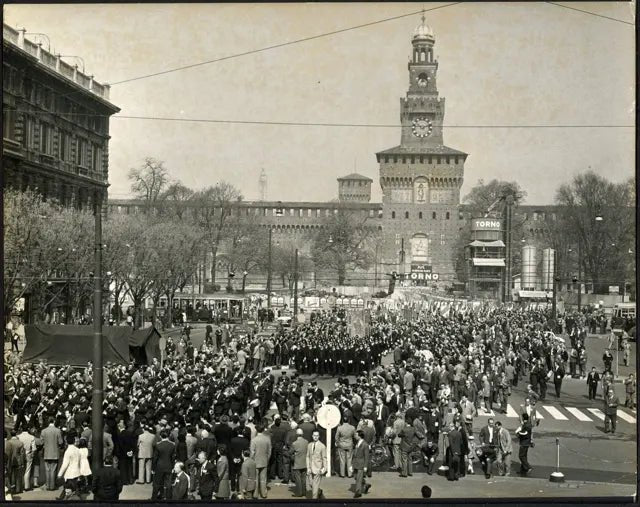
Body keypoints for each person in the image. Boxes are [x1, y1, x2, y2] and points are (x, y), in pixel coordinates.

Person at [151, 429, 176, 500]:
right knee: (168, 484)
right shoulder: (172, 445)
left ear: (161, 436)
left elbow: (155, 458)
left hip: (159, 466)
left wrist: (153, 468)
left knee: (156, 484)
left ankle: (154, 498)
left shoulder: (158, 445)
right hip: (169, 466)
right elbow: (173, 457)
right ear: (168, 436)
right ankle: (168, 498)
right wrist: (173, 466)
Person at [249, 424, 272, 499]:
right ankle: (263, 493)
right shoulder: (267, 439)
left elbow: (252, 452)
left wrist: (251, 460)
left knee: (255, 478)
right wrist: (267, 459)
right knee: (263, 479)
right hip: (264, 460)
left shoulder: (254, 440)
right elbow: (269, 451)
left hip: (255, 461)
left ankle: (255, 494)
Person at [41, 417, 63, 491]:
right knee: (53, 469)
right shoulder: (58, 430)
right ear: (54, 421)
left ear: (48, 422)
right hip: (55, 452)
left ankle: (48, 485)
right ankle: (52, 486)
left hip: (46, 452)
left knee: (47, 469)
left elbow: (41, 442)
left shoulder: (43, 431)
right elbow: (60, 442)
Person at [57, 434, 81, 500]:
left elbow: (65, 464)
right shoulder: (78, 450)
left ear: (66, 442)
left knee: (68, 487)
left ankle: (62, 499)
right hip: (77, 472)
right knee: (74, 487)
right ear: (74, 441)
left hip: (69, 473)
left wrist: (60, 474)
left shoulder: (67, 451)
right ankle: (61, 498)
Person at [306, 430, 327, 499]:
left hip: (318, 469)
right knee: (311, 484)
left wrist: (324, 469)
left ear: (319, 436)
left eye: (317, 436)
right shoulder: (309, 445)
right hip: (310, 469)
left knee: (314, 490)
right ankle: (319, 491)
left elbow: (324, 458)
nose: (315, 437)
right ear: (312, 436)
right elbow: (308, 456)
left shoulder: (322, 446)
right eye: (314, 435)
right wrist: (308, 467)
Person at [5, 429, 26, 494]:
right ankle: (18, 489)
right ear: (16, 434)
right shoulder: (20, 442)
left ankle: (11, 488)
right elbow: (22, 453)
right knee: (18, 476)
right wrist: (22, 462)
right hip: (18, 460)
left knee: (10, 475)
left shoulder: (8, 442)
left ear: (10, 434)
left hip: (10, 460)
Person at [352, 430, 371, 497]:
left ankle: (358, 492)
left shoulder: (365, 445)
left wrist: (365, 466)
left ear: (360, 436)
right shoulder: (357, 443)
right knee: (356, 477)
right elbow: (355, 454)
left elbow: (366, 456)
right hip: (356, 463)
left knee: (359, 478)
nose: (355, 436)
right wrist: (352, 464)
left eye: (356, 435)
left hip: (361, 464)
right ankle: (365, 485)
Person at [17, 426, 36, 492]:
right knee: (27, 470)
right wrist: (32, 455)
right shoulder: (31, 437)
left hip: (20, 455)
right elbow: (34, 448)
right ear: (28, 429)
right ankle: (26, 486)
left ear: (21, 429)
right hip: (28, 454)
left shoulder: (18, 436)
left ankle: (19, 486)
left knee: (20, 471)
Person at [291, 428, 308, 497]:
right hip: (304, 463)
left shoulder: (294, 443)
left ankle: (299, 493)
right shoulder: (306, 442)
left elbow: (290, 452)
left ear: (296, 434)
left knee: (298, 479)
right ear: (302, 434)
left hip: (297, 463)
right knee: (304, 479)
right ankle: (304, 492)